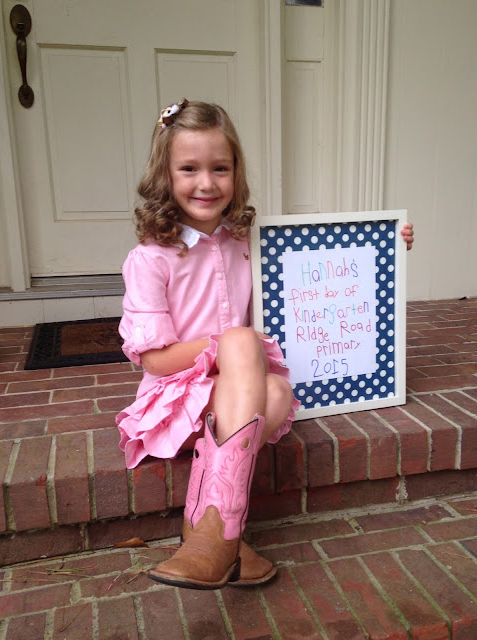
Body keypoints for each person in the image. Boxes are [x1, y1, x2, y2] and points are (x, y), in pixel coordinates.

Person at [117, 98, 415, 591]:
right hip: (177, 401)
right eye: (189, 169)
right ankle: (222, 538)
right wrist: (228, 343)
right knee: (240, 342)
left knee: (276, 392)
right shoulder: (151, 258)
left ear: (237, 172)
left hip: (239, 400)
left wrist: (383, 243)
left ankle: (213, 538)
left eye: (220, 168)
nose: (206, 183)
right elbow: (154, 360)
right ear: (164, 174)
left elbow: (312, 276)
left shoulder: (248, 242)